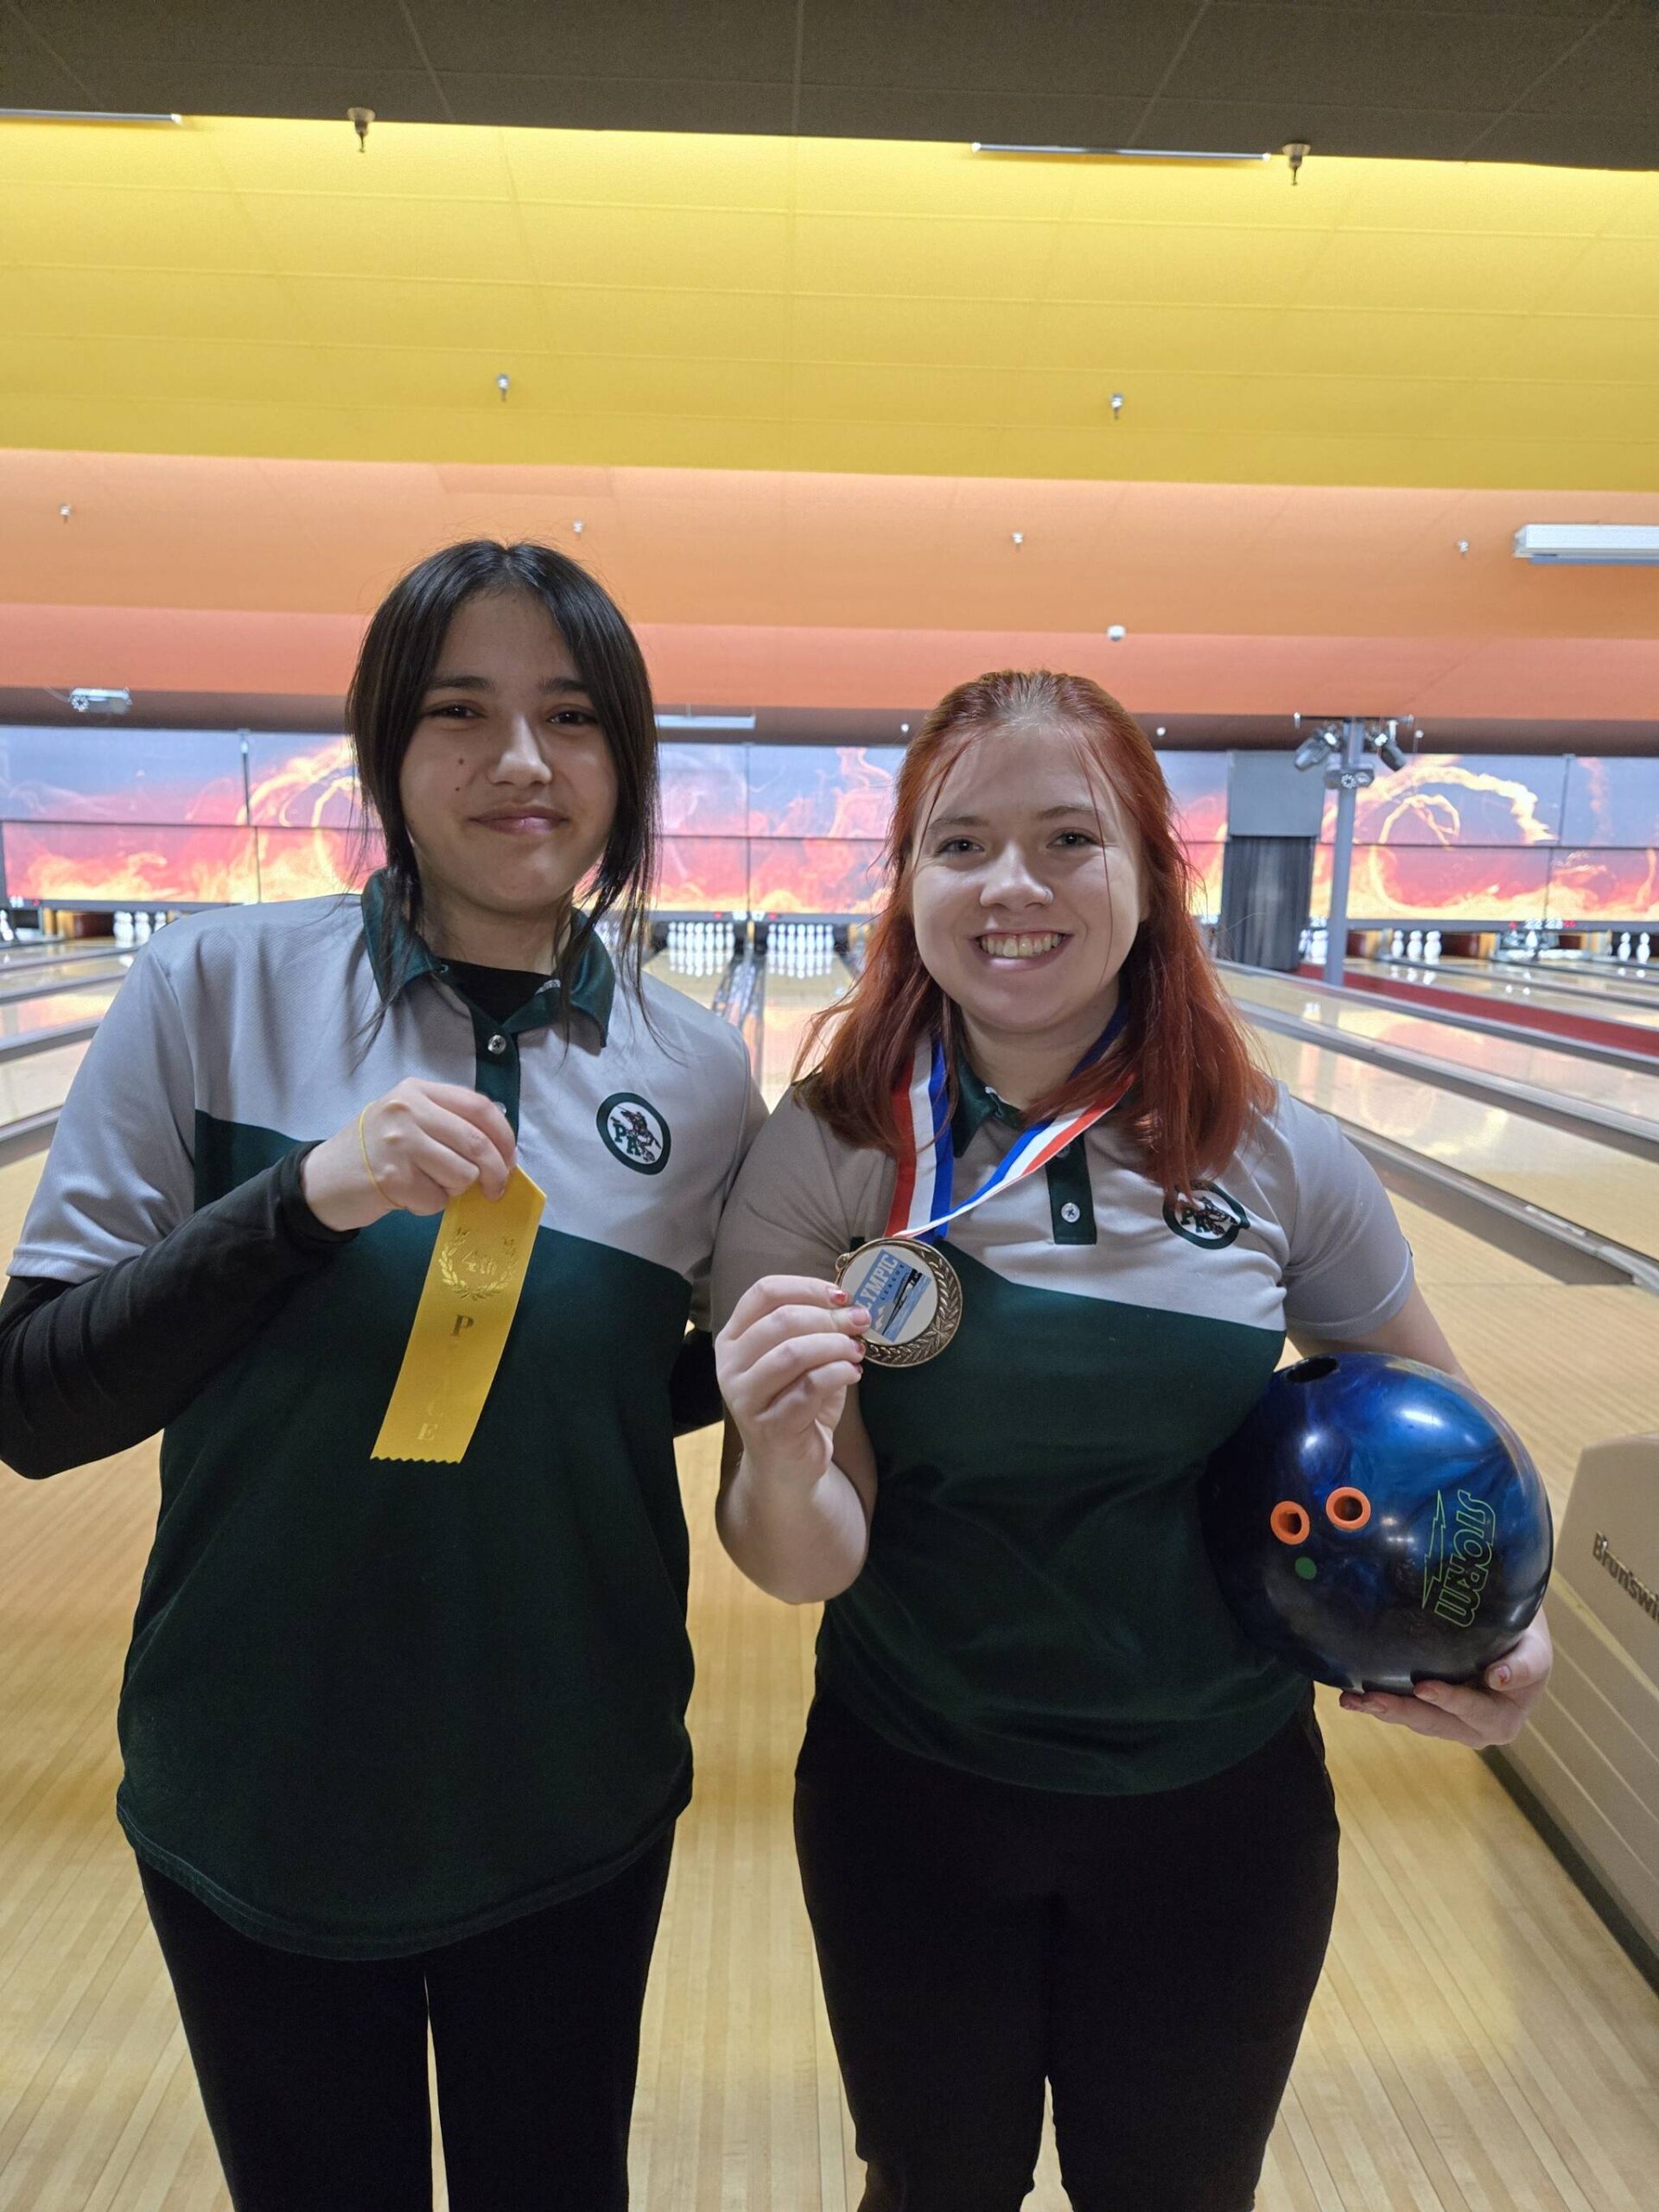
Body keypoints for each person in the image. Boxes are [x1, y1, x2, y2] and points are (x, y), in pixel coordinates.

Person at [712, 670, 1551, 2212]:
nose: (1011, 885)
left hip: (1217, 1814)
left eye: (1066, 840)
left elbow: (1456, 1452)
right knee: (930, 2190)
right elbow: (802, 1560)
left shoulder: (1280, 1150)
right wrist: (779, 1458)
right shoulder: (833, 1151)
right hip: (915, 1792)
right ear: (908, 883)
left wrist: (1504, 1633)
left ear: (1153, 879)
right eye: (959, 844)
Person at [0, 541, 763, 2212]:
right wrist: (302, 1199)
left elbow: (654, 1379)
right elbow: (35, 1402)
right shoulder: (211, 988)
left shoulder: (699, 1076)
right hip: (257, 1784)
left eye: (571, 718)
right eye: (459, 713)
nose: (519, 761)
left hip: (569, 1785)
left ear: (623, 762)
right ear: (384, 753)